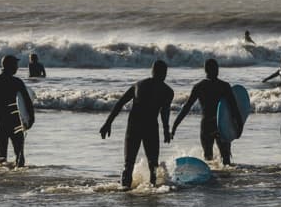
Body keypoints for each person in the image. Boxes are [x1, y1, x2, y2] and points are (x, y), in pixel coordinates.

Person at [100, 60, 174, 189]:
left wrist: (108, 123)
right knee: (153, 165)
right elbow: (165, 112)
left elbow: (120, 103)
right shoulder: (167, 91)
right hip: (151, 127)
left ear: (152, 71)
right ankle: (152, 193)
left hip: (134, 126)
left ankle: (125, 191)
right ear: (165, 73)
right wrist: (166, 129)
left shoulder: (139, 85)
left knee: (128, 164)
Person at [171, 58, 243, 165]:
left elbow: (186, 107)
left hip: (206, 125)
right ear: (216, 70)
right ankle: (227, 179)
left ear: (205, 70)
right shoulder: (224, 86)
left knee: (208, 158)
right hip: (221, 125)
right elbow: (234, 108)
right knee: (226, 158)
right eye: (216, 68)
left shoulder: (199, 86)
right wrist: (239, 125)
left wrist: (174, 126)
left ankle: (211, 179)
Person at [0, 55, 35, 167]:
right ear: (10, 66)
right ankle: (15, 178)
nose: (17, 68)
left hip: (0, 122)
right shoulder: (17, 82)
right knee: (20, 157)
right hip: (15, 122)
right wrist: (31, 118)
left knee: (2, 158)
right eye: (16, 65)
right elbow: (27, 101)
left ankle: (3, 180)